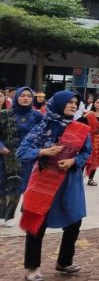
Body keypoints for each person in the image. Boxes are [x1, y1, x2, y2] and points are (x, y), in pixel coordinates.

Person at [17, 91, 92, 281]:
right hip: (43, 182)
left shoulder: (81, 129)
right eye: (69, 102)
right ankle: (32, 267)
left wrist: (74, 161)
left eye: (76, 103)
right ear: (58, 104)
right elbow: (22, 151)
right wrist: (44, 151)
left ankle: (64, 262)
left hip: (69, 182)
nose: (73, 105)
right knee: (36, 224)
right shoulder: (43, 128)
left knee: (74, 222)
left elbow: (87, 152)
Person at [0, 87, 43, 227]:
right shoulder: (5, 114)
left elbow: (43, 134)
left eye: (29, 96)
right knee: (4, 184)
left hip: (28, 157)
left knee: (20, 185)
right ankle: (3, 213)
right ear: (16, 97)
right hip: (7, 156)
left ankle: (12, 215)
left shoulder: (37, 115)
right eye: (22, 95)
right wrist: (1, 147)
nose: (26, 98)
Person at [79, 95, 99, 187]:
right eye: (97, 102)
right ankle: (78, 178)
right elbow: (78, 123)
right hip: (88, 139)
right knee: (85, 157)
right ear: (94, 104)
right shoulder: (89, 114)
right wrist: (84, 116)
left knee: (96, 159)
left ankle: (91, 179)